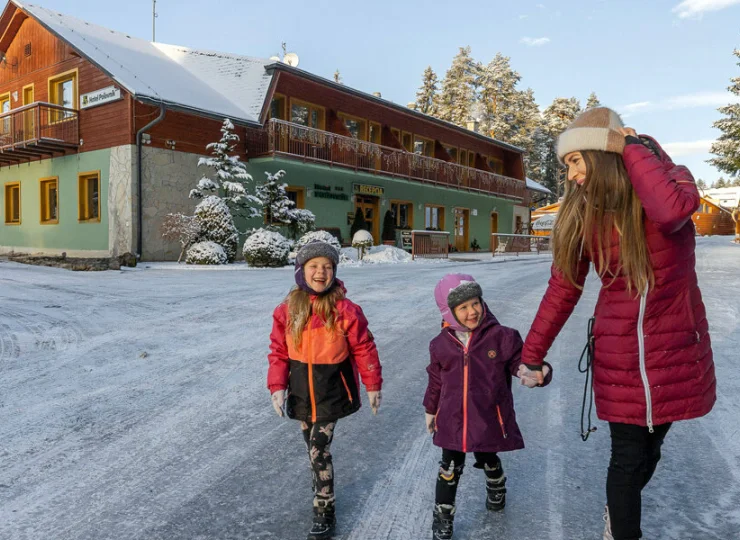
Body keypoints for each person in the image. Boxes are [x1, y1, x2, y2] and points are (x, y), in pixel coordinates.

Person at [521, 107, 716, 540]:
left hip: (675, 350)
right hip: (620, 355)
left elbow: (668, 213)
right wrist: (531, 355)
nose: (570, 175)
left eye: (574, 161)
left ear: (602, 151)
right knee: (626, 461)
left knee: (650, 453)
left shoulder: (673, 182)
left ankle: (618, 510)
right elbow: (563, 288)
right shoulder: (586, 215)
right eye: (566, 165)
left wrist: (631, 146)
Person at [267, 241, 383, 540]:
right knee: (312, 448)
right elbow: (278, 352)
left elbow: (364, 348)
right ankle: (321, 485)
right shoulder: (287, 310)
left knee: (319, 447)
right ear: (301, 271)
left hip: (331, 389)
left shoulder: (345, 309)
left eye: (328, 267)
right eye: (314, 266)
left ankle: (324, 507)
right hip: (301, 391)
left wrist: (372, 384)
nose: (322, 272)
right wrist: (277, 386)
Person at [423, 273, 551, 540]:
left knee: (487, 456)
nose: (472, 311)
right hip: (452, 419)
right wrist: (430, 409)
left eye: (475, 303)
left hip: (488, 416)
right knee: (448, 469)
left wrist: (536, 373)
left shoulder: (502, 337)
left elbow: (521, 362)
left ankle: (496, 482)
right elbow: (436, 381)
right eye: (463, 307)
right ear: (449, 312)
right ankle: (442, 518)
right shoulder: (440, 345)